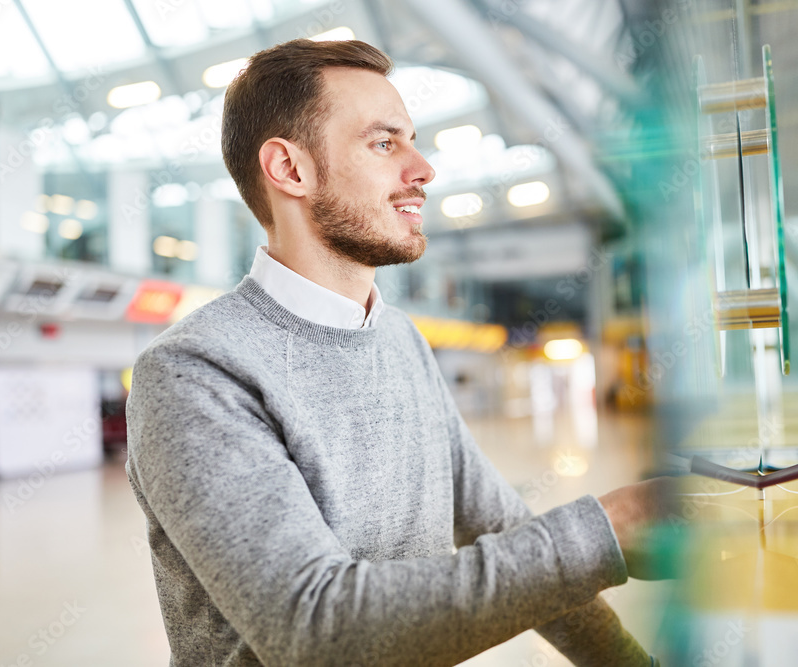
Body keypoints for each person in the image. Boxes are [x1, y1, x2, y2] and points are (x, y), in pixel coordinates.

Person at [125, 38, 672, 667]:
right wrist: (607, 528)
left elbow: (501, 525)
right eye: (385, 143)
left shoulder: (400, 339)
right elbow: (316, 629)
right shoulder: (193, 373)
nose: (424, 169)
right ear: (290, 170)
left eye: (411, 139)